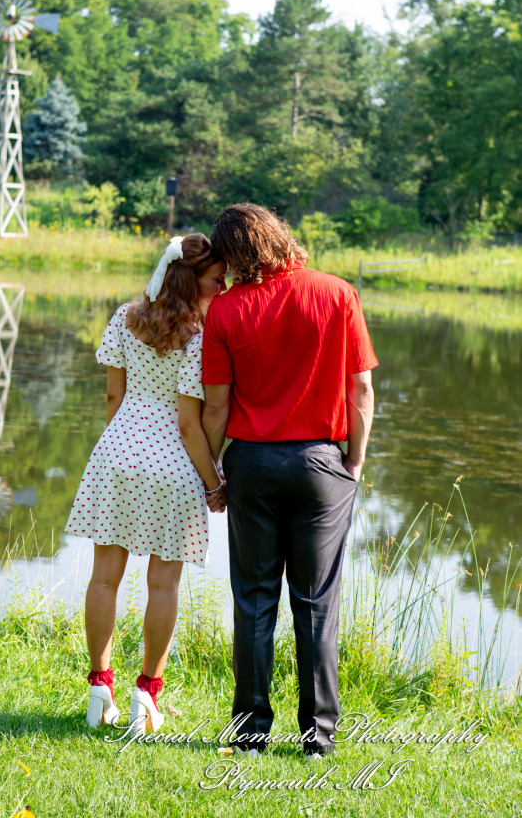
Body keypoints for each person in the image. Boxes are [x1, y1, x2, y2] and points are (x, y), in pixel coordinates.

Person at [201, 204, 378, 758]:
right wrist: (355, 461)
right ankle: (318, 739)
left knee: (253, 602)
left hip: (252, 464)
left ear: (232, 256)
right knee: (316, 603)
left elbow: (216, 406)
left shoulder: (225, 310)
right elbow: (362, 393)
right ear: (278, 235)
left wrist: (215, 472)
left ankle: (251, 734)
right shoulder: (337, 293)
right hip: (322, 465)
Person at [65, 233, 227, 733]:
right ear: (192, 279)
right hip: (173, 465)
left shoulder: (125, 317)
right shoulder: (201, 335)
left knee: (103, 578)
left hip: (116, 454)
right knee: (163, 583)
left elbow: (113, 399)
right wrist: (214, 483)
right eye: (216, 279)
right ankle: (146, 697)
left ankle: (98, 688)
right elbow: (188, 424)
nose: (223, 286)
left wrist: (120, 445)